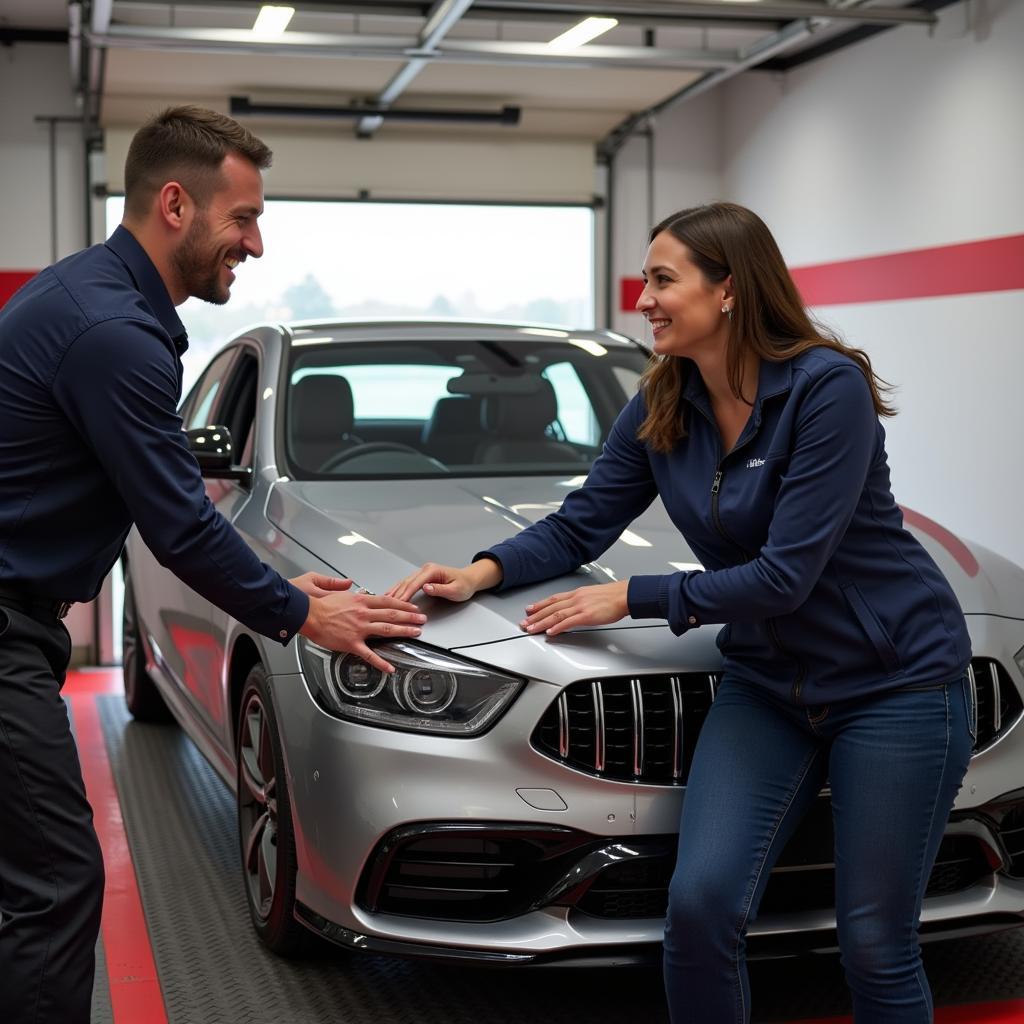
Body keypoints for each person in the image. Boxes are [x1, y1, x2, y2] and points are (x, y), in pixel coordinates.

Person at [388, 202, 974, 1023]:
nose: (646, 300)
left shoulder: (823, 390)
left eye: (664, 280)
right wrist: (482, 570)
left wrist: (637, 594)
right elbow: (582, 521)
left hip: (895, 686)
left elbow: (785, 578)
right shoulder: (664, 400)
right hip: (770, 688)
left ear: (728, 290)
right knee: (698, 913)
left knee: (876, 941)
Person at [0, 105, 425, 1024]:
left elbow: (176, 509)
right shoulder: (114, 332)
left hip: (20, 622)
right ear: (176, 204)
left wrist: (280, 587)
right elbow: (178, 526)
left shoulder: (90, 297)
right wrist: (305, 615)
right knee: (58, 878)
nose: (258, 244)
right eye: (243, 219)